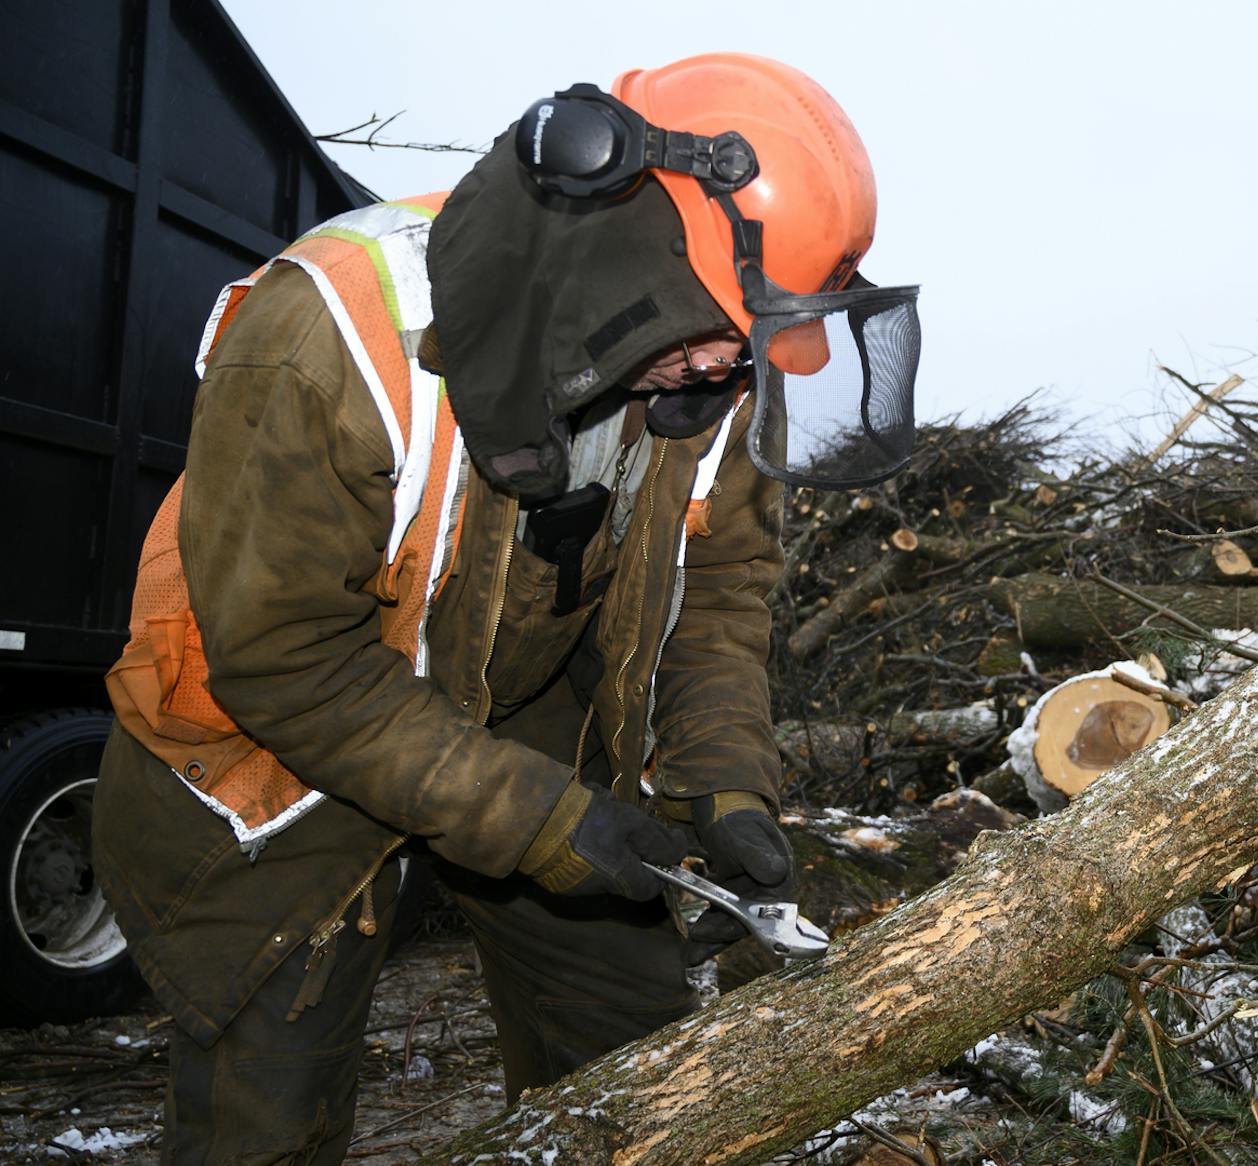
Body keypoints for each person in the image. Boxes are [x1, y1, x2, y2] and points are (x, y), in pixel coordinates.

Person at [92, 53, 920, 1164]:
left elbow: (717, 602)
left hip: (513, 709)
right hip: (276, 760)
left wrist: (726, 785)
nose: (735, 361)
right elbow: (283, 659)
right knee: (266, 1117)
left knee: (639, 1064)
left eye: (757, 334)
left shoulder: (714, 378)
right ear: (631, 234)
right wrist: (539, 818)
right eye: (728, 325)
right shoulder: (331, 335)